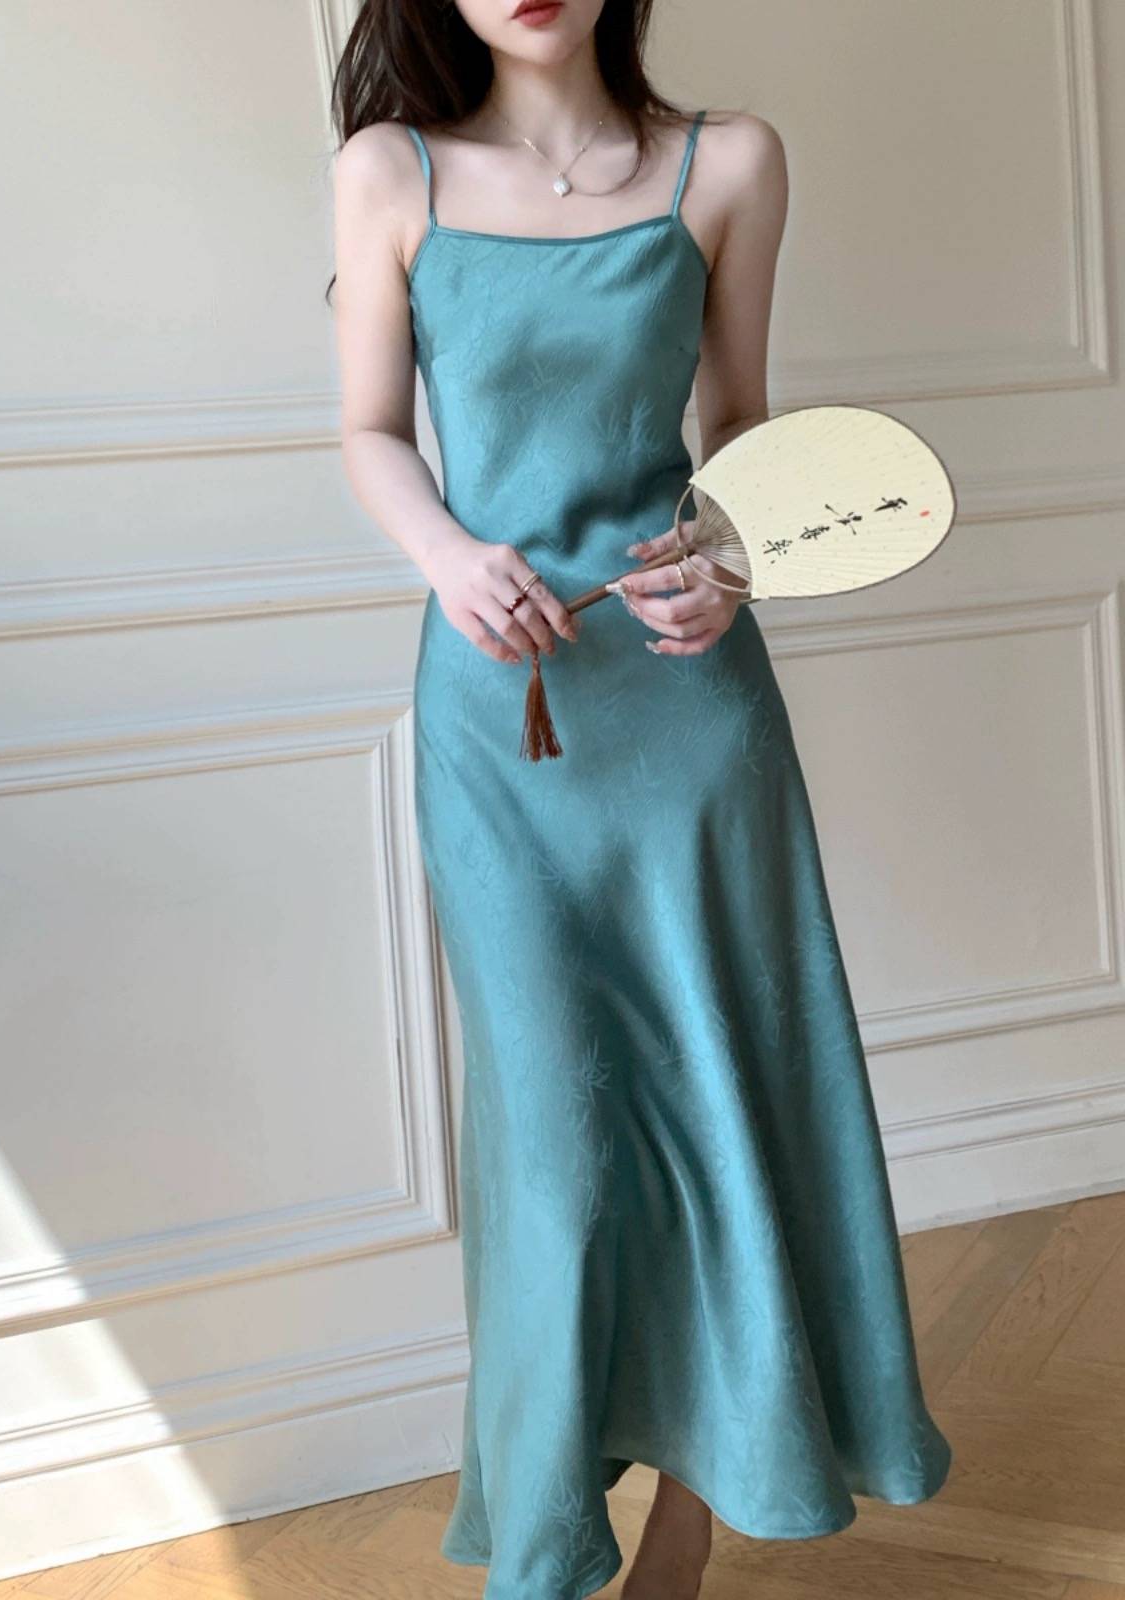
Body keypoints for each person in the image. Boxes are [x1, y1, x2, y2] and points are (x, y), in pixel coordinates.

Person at [330, 2, 952, 1596]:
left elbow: (740, 429)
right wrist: (449, 558)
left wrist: (733, 566)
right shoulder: (390, 171)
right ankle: (547, 1543)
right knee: (554, 1142)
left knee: (725, 1093)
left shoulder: (728, 163)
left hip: (689, 702)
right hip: (501, 720)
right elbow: (370, 431)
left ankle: (694, 1513)